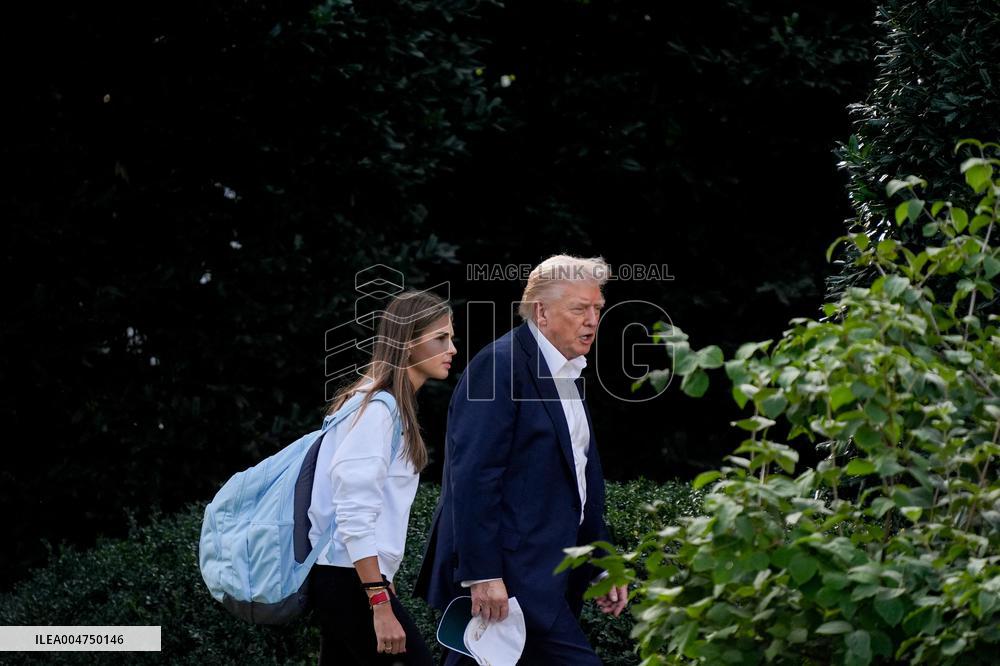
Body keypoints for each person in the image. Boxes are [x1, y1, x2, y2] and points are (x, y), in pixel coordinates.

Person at [416, 255, 628, 665]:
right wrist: (482, 574)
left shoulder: (569, 373)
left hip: (546, 577)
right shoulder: (500, 366)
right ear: (542, 312)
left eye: (597, 309)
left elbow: (580, 482)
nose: (592, 320)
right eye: (580, 309)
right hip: (511, 581)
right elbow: (474, 477)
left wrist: (602, 563)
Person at [308, 289, 456, 665]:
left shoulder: (372, 404)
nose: (452, 348)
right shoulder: (378, 409)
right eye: (441, 338)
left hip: (347, 576)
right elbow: (353, 510)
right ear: (406, 344)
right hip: (349, 579)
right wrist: (378, 600)